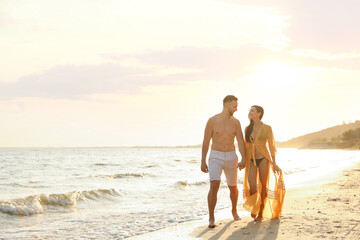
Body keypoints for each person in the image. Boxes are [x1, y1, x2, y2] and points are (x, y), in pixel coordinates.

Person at [201, 95, 246, 228]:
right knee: (214, 184)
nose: (236, 109)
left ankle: (234, 210)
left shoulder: (236, 122)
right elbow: (206, 141)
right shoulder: (212, 120)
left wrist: (243, 158)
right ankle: (211, 217)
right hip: (216, 156)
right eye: (235, 106)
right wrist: (203, 161)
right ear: (227, 105)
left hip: (231, 156)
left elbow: (240, 141)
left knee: (233, 187)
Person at [241, 105, 285, 221]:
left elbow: (271, 146)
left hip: (263, 158)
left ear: (259, 113)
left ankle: (261, 210)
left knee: (263, 185)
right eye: (249, 110)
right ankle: (255, 206)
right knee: (252, 187)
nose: (250, 112)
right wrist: (243, 160)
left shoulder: (267, 128)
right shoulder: (247, 128)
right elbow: (245, 146)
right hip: (251, 159)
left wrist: (274, 163)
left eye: (252, 111)